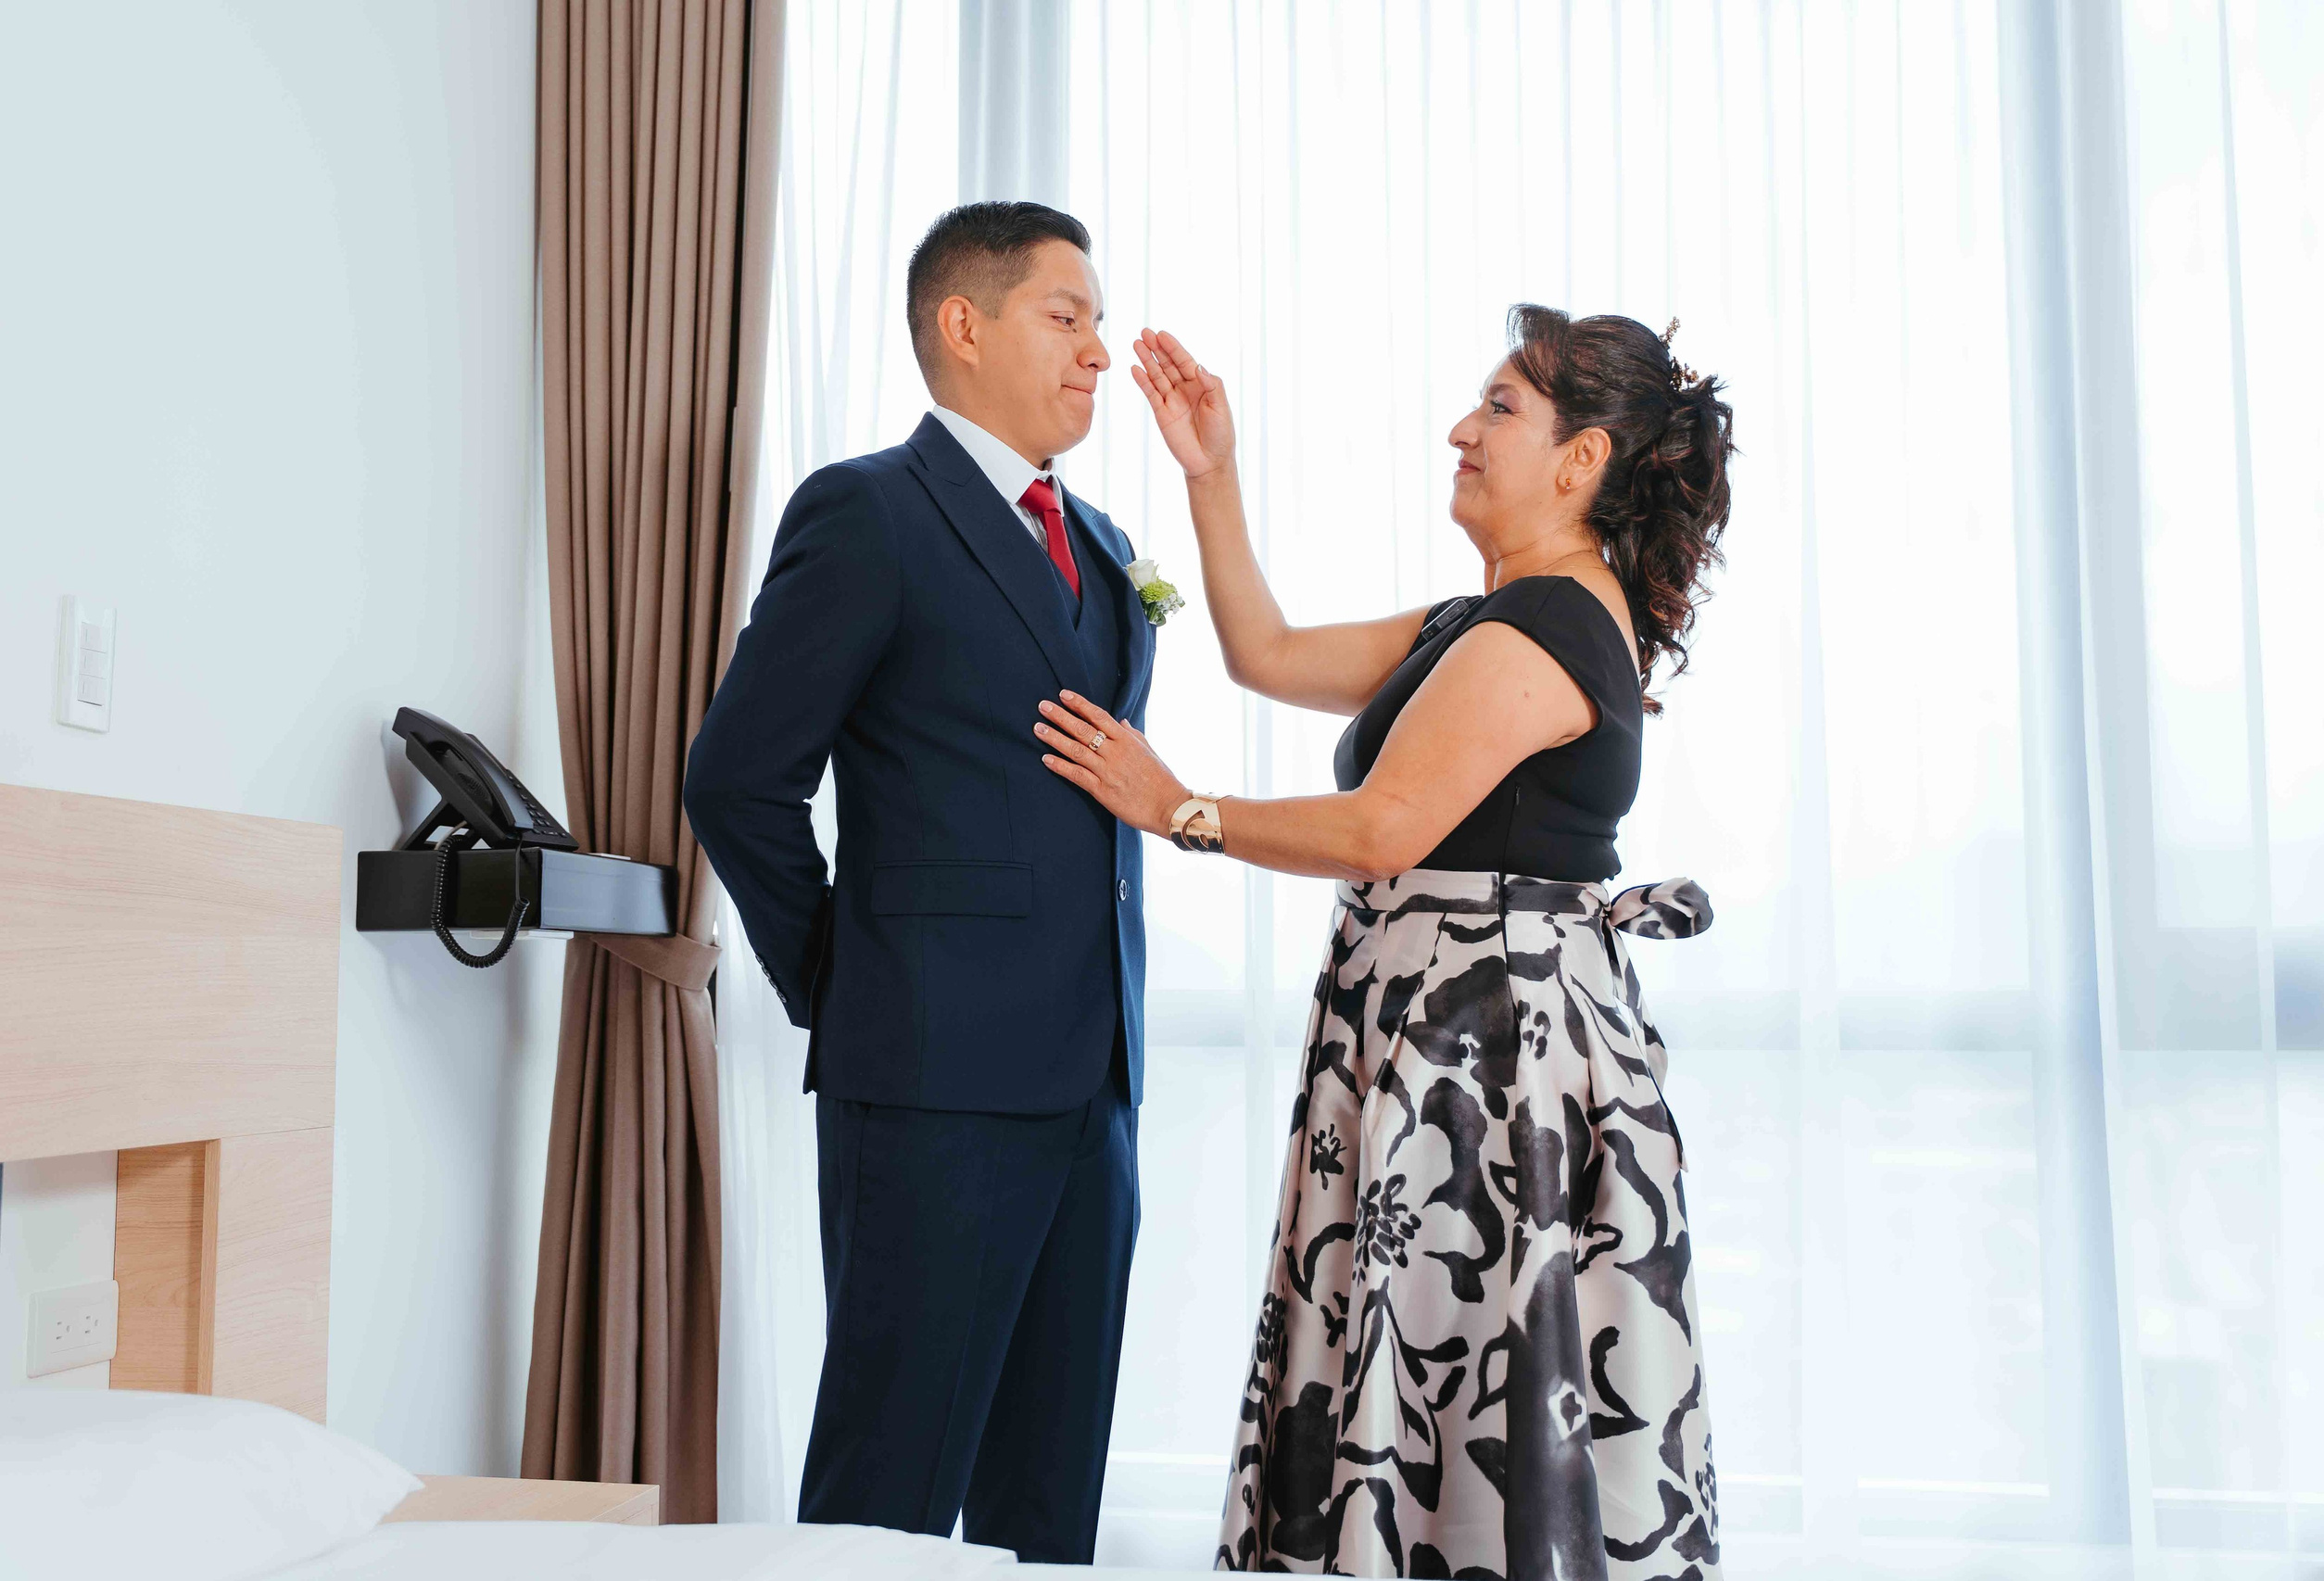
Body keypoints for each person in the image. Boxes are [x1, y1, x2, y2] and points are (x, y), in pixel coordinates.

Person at [1032, 310, 1734, 1578]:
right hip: (1444, 1042)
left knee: (1460, 1398)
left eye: (1502, 407)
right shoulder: (1492, 616)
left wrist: (1175, 807)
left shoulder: (1553, 626)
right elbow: (1268, 652)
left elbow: (1381, 826)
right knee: (1439, 1394)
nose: (1463, 429)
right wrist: (1213, 473)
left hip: (1484, 1062)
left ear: (1580, 463)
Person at [684, 201, 1155, 1565]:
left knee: (1048, 1507)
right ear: (964, 324)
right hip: (933, 1084)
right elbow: (739, 780)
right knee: (888, 1495)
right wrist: (847, 976)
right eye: (1068, 317)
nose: (1099, 353)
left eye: (1100, 322)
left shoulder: (1113, 546)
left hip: (1095, 1092)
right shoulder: (870, 511)